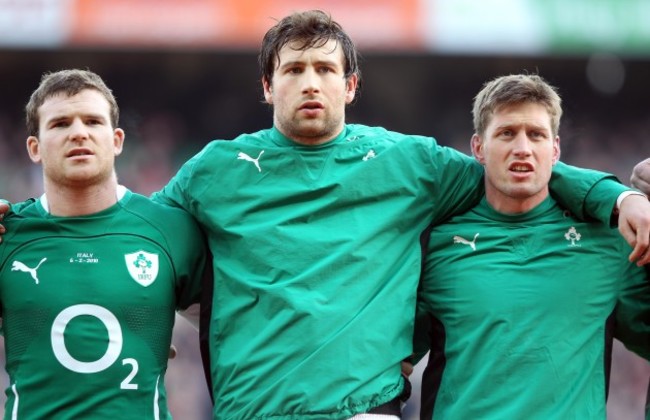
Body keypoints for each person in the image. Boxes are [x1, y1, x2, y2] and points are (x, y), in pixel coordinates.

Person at [2, 10, 650, 420]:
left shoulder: (411, 164)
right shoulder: (214, 172)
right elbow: (132, 237)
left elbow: (516, 165)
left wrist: (613, 197)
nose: (310, 81)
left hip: (363, 412)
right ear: (267, 85)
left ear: (351, 86)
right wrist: (24, 223)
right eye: (294, 69)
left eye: (324, 69)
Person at [414, 74, 650, 419]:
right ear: (478, 147)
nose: (522, 148)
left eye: (536, 135)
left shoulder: (609, 242)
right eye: (507, 133)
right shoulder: (436, 246)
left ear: (554, 149)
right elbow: (389, 359)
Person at [0, 69, 207, 418]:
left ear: (117, 140)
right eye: (60, 124)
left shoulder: (169, 230)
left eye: (93, 121)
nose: (78, 132)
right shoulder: (7, 235)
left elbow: (228, 333)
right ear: (34, 148)